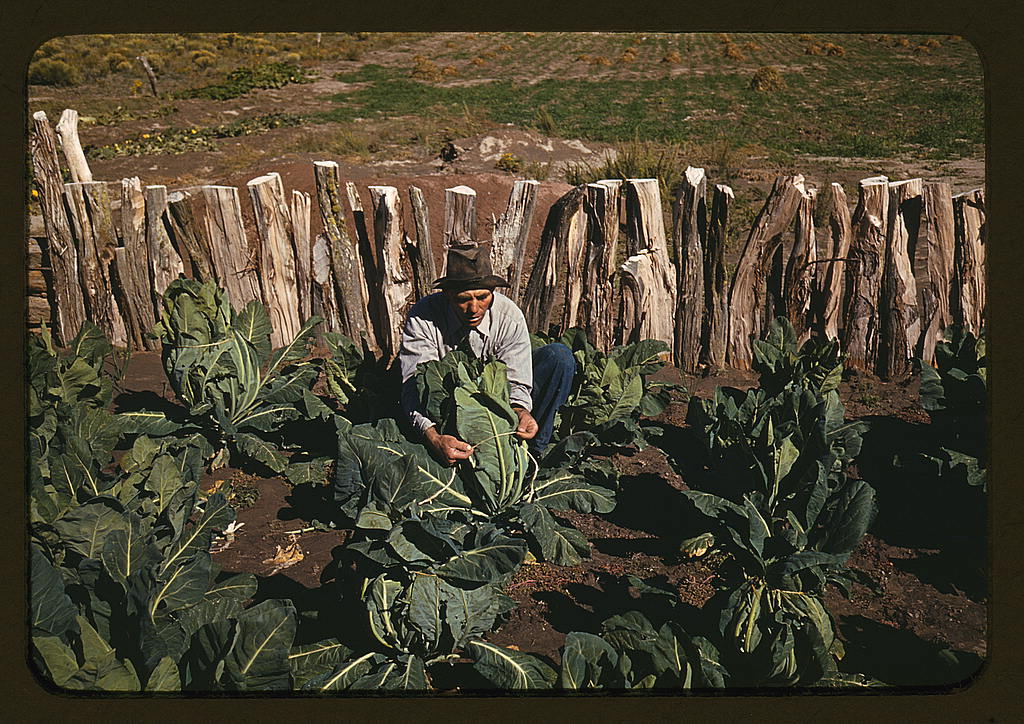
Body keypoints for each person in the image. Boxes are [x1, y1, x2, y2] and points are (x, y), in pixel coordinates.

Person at [398, 243, 575, 465]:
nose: (474, 308)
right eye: (463, 300)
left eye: (482, 297)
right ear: (448, 295)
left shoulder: (508, 316)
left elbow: (517, 379)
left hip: (498, 404)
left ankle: (533, 457)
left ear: (492, 293)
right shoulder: (423, 318)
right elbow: (414, 386)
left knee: (559, 358)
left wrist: (521, 411)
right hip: (448, 410)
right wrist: (433, 437)